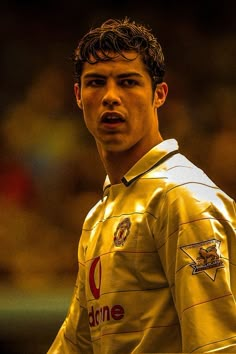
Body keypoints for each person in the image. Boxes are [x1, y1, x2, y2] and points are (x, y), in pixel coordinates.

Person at [47, 17, 236, 353]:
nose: (110, 97)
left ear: (159, 94)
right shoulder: (98, 218)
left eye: (128, 82)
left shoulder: (183, 198)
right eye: (95, 83)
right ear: (78, 96)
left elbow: (217, 346)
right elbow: (76, 345)